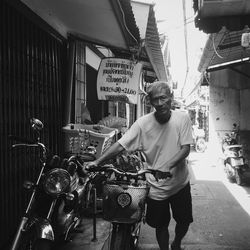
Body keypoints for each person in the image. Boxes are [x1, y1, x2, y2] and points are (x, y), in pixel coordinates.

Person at [86, 81, 193, 250]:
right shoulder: (143, 124)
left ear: (171, 98)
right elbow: (121, 144)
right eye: (155, 99)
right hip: (156, 186)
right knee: (161, 225)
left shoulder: (182, 118)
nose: (159, 103)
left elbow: (186, 148)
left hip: (180, 183)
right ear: (150, 102)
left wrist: (168, 165)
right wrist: (98, 161)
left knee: (184, 221)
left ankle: (177, 242)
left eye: (163, 98)